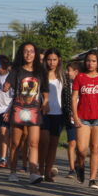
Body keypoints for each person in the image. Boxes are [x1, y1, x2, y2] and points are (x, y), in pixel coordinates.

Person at [4, 42, 47, 184]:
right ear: (21, 54)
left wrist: (45, 103)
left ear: (36, 54)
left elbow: (45, 91)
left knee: (34, 142)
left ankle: (33, 172)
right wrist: (5, 85)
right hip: (19, 109)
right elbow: (6, 86)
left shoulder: (41, 72)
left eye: (32, 51)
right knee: (16, 143)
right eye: (26, 51)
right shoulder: (16, 71)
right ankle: (13, 171)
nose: (29, 54)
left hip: (35, 110)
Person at [72, 50, 98, 189]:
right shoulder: (80, 77)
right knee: (82, 149)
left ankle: (93, 178)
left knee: (96, 148)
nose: (90, 63)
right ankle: (80, 164)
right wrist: (75, 116)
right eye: (88, 60)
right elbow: (74, 97)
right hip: (83, 117)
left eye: (93, 61)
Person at [38, 48, 72, 182]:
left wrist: (69, 113)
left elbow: (67, 96)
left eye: (54, 60)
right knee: (44, 142)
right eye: (49, 59)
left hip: (58, 114)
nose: (51, 62)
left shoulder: (63, 76)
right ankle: (40, 170)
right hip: (43, 113)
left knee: (53, 144)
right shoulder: (40, 75)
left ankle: (48, 172)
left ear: (59, 61)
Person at [64, 61, 81, 178]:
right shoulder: (66, 84)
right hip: (70, 117)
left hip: (83, 117)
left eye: (68, 70)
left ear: (76, 72)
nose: (66, 72)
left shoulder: (83, 83)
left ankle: (79, 163)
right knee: (72, 143)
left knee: (82, 146)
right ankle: (71, 169)